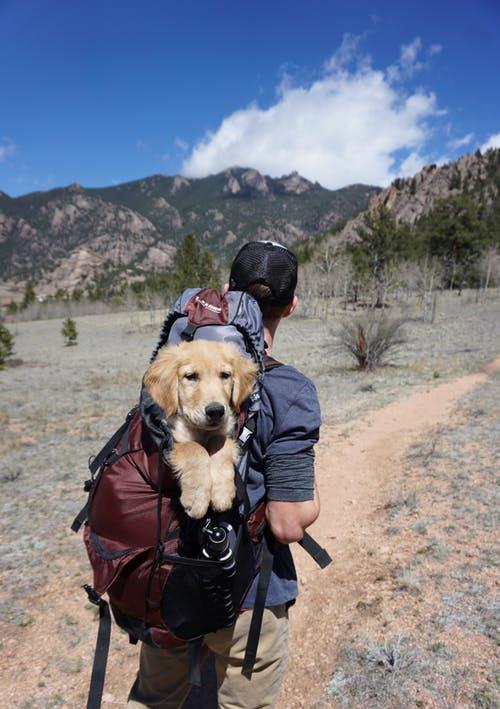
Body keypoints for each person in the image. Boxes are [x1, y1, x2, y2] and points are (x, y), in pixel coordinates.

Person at [127, 240, 321, 708]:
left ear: (229, 294)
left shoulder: (174, 370)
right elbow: (288, 522)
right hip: (248, 593)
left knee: (156, 698)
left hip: (166, 574)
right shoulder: (291, 390)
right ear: (291, 306)